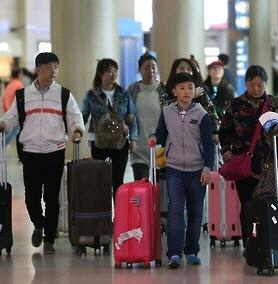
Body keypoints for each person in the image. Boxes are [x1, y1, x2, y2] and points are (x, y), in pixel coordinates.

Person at [0, 52, 84, 254]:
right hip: (29, 152)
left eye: (55, 67)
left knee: (52, 197)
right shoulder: (23, 95)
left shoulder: (64, 94)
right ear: (37, 70)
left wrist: (77, 131)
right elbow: (11, 117)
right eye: (47, 67)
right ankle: (39, 224)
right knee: (31, 197)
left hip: (54, 151)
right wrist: (3, 123)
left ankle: (49, 239)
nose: (52, 71)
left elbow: (75, 117)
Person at [148, 72, 215, 268]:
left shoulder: (202, 114)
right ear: (174, 91)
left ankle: (192, 250)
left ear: (195, 91)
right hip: (174, 169)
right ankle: (174, 254)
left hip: (197, 171)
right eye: (182, 88)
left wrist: (207, 168)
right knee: (175, 210)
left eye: (190, 88)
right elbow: (161, 133)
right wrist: (154, 138)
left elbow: (208, 144)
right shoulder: (167, 112)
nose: (187, 91)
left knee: (195, 213)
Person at [219, 65, 278, 246]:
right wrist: (226, 151)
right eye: (252, 84)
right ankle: (250, 241)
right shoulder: (235, 105)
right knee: (248, 205)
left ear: (266, 84)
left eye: (260, 85)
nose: (256, 89)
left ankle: (269, 240)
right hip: (245, 166)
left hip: (272, 164)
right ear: (246, 83)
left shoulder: (275, 104)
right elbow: (224, 132)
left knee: (270, 204)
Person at [81, 58, 138, 199]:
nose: (113, 74)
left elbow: (132, 117)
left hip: (120, 142)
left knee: (118, 182)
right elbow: (83, 116)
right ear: (101, 74)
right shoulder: (91, 95)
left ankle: (119, 217)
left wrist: (134, 139)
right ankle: (103, 218)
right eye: (109, 71)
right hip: (98, 142)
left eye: (115, 71)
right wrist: (77, 131)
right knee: (100, 181)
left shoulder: (123, 94)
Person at [127, 52, 167, 180]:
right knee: (141, 187)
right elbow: (127, 114)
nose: (151, 70)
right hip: (139, 147)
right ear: (140, 69)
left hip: (160, 148)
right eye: (147, 67)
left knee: (160, 189)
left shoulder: (162, 89)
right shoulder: (133, 90)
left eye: (154, 67)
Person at [165, 58, 220, 141]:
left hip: (199, 140)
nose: (185, 71)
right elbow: (164, 108)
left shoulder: (200, 91)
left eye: (189, 69)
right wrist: (190, 96)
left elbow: (213, 115)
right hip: (174, 140)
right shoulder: (167, 90)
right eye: (181, 68)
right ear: (174, 71)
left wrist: (215, 133)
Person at [1, 68, 24, 144]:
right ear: (18, 75)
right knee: (13, 133)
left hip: (8, 111)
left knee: (9, 132)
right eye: (21, 74)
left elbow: (4, 98)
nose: (22, 75)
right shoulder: (19, 84)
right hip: (15, 113)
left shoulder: (10, 84)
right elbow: (20, 101)